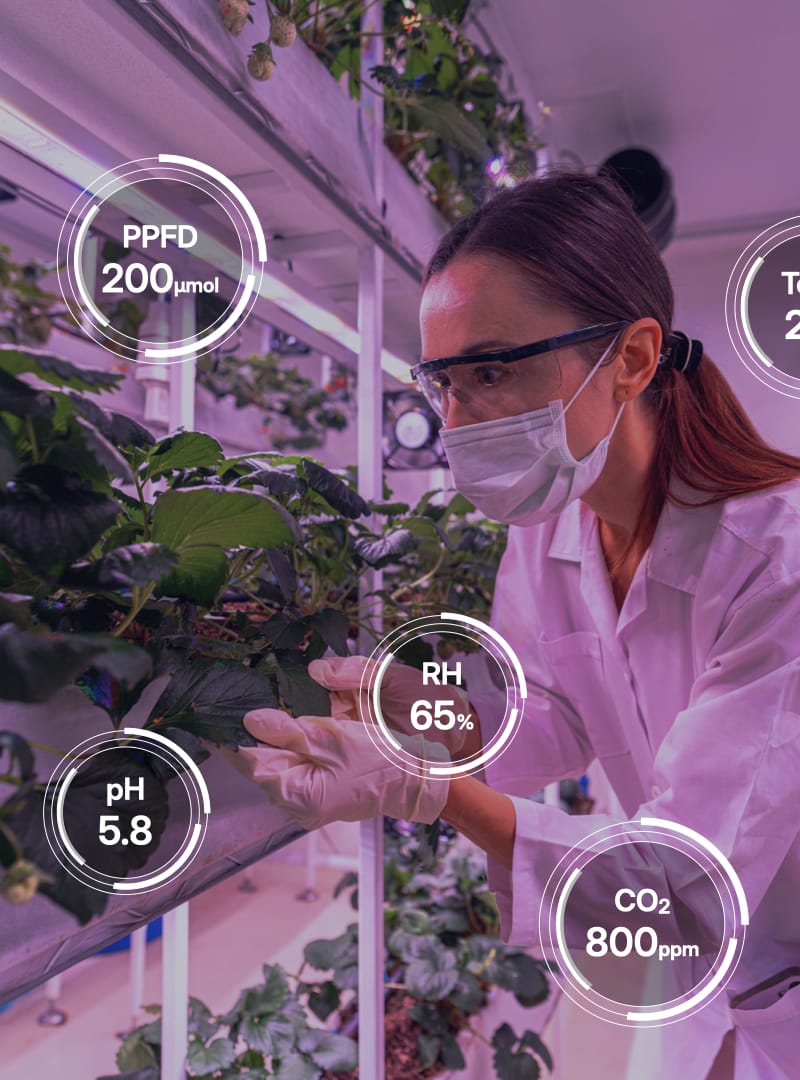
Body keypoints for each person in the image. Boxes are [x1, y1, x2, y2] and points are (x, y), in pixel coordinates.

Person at [227, 171, 800, 1079]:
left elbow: (688, 883)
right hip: (719, 975)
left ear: (633, 358)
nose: (455, 423)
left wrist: (428, 790)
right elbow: (554, 721)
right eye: (440, 384)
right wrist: (420, 716)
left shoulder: (779, 560)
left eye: (492, 370)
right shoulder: (553, 529)